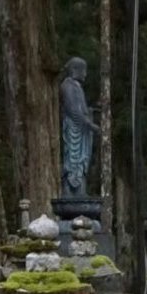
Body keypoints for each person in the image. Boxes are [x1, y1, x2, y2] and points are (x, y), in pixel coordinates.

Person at [60, 56, 100, 197]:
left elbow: (81, 109)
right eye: (83, 70)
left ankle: (80, 191)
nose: (85, 74)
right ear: (75, 69)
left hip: (82, 131)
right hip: (73, 129)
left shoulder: (77, 87)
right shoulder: (67, 85)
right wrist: (89, 124)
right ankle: (70, 191)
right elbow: (73, 110)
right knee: (72, 159)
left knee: (82, 161)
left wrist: (89, 113)